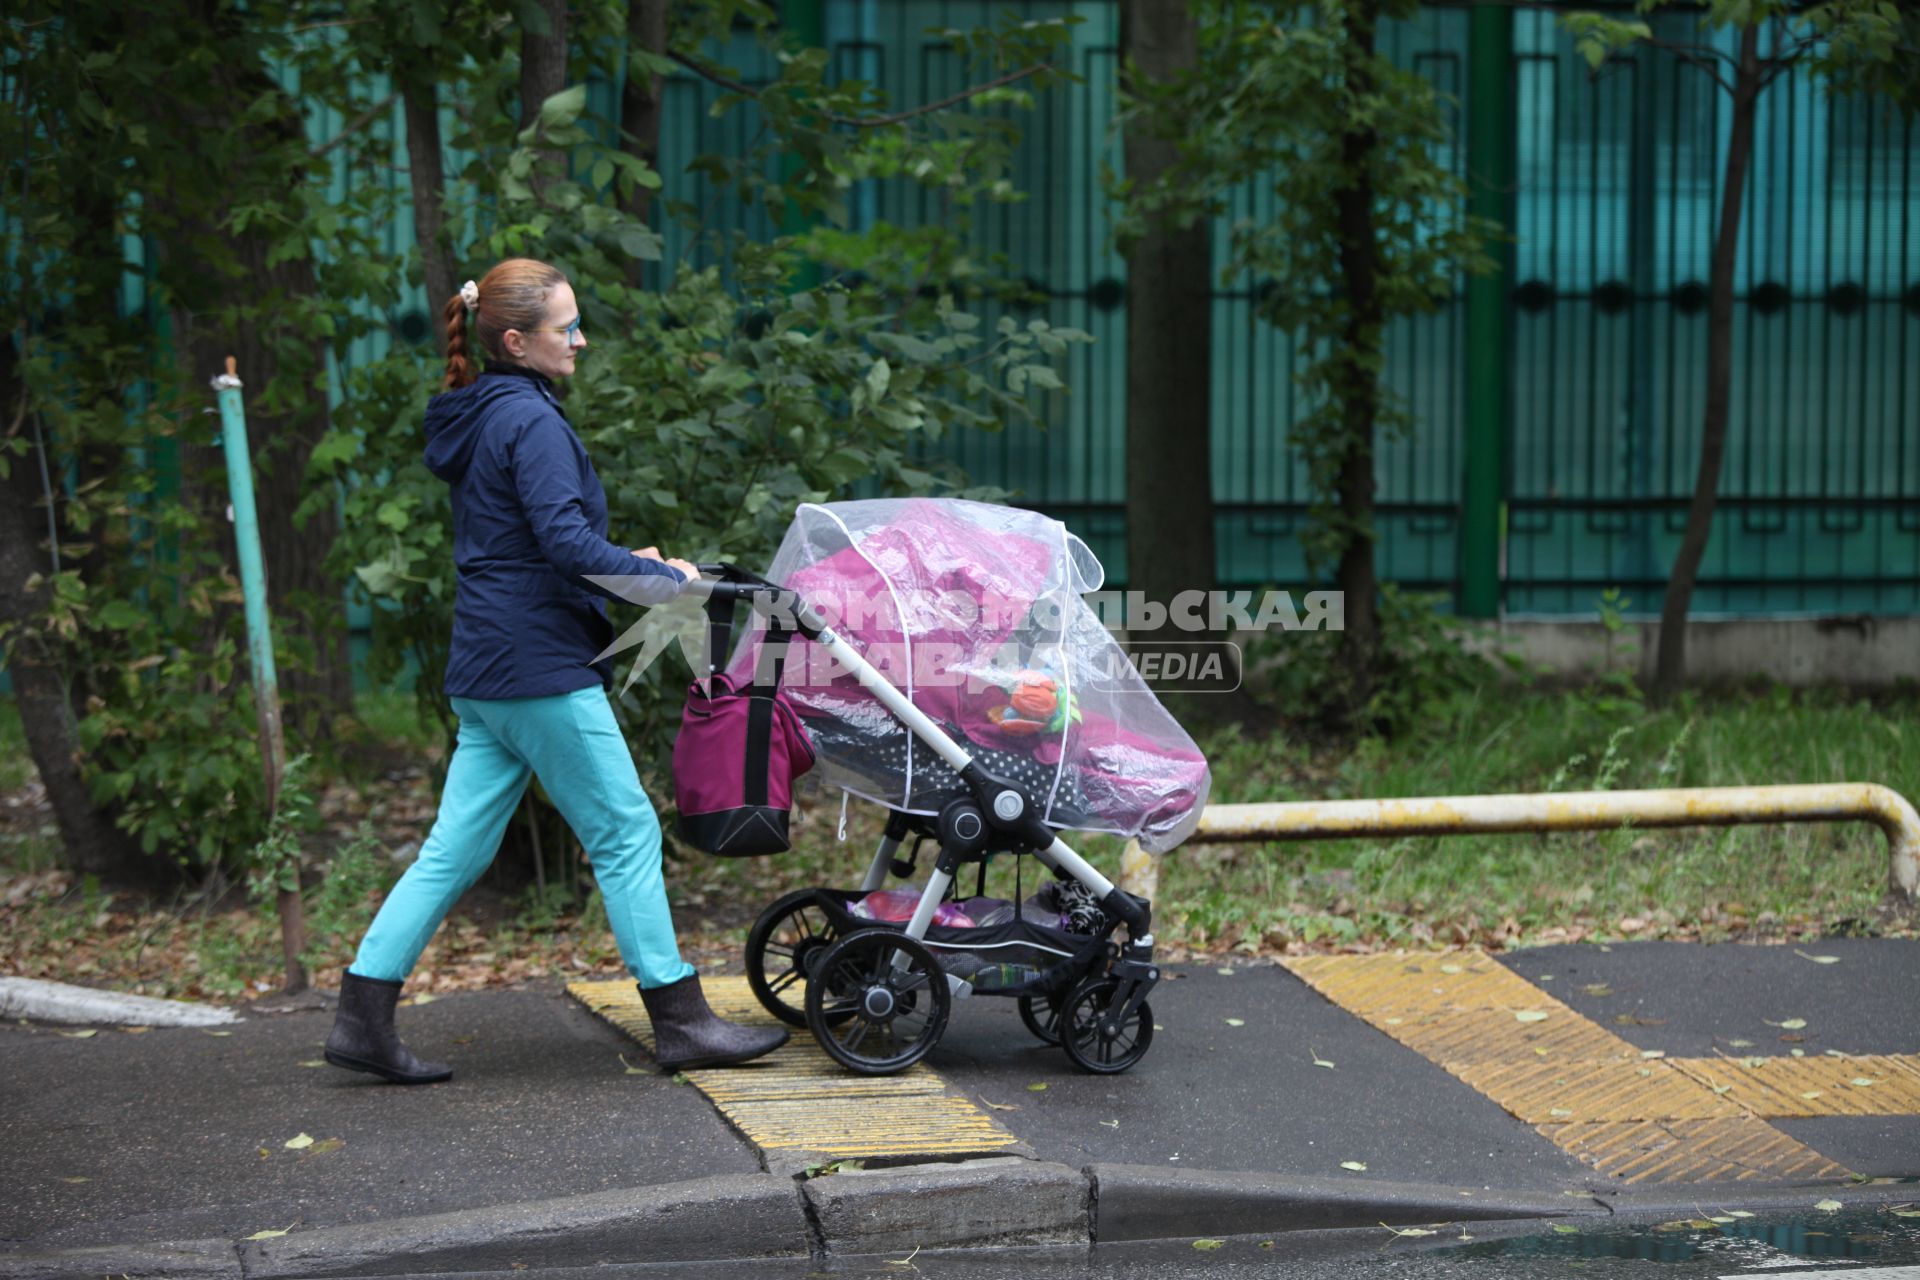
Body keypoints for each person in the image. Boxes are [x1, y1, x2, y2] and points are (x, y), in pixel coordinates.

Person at [324, 257, 787, 1083]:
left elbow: (525, 543)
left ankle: (362, 1013)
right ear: (516, 340)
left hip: (486, 665)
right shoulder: (530, 422)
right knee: (626, 831)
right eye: (564, 327)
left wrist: (632, 561)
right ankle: (680, 1020)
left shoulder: (485, 413)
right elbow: (566, 547)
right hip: (538, 668)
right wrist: (670, 582)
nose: (580, 338)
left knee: (453, 849)